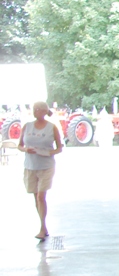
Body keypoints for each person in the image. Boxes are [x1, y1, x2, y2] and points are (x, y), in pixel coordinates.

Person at [18, 102, 63, 240]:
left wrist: (49, 153)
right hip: (30, 165)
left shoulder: (52, 127)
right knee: (35, 196)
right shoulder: (27, 126)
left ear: (44, 111)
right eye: (34, 109)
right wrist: (26, 149)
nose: (35, 111)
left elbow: (59, 148)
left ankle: (42, 228)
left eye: (37, 109)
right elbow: (19, 145)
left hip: (46, 166)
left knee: (41, 196)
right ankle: (42, 224)